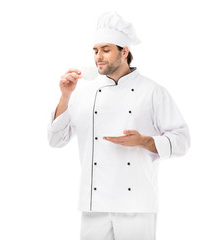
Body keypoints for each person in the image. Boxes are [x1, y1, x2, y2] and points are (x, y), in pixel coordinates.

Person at [47, 12, 190, 240]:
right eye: (95, 51)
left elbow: (182, 141)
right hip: (94, 204)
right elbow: (56, 140)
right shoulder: (83, 93)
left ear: (124, 51)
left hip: (137, 205)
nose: (98, 57)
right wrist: (65, 96)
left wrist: (145, 141)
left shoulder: (152, 91)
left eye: (105, 49)